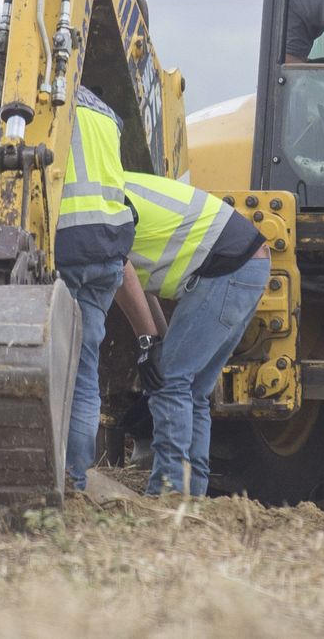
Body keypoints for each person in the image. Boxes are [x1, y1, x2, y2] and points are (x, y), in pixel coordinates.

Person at [122, 171, 269, 496]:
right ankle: (192, 494)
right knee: (194, 389)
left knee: (170, 380)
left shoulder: (102, 203)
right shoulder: (119, 187)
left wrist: (148, 344)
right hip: (249, 265)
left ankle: (169, 492)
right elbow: (138, 279)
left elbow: (120, 268)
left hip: (227, 268)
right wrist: (157, 338)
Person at [55, 86, 136, 490]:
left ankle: (52, 472)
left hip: (66, 247)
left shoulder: (45, 98)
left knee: (52, 368)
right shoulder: (108, 114)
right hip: (108, 250)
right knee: (85, 369)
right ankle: (77, 478)